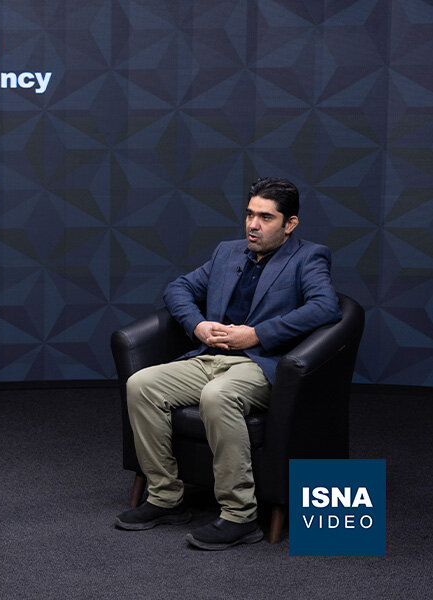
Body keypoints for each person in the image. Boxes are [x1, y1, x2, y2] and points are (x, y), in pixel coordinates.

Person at [114, 177, 341, 550]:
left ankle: (240, 515)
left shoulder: (308, 257)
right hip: (210, 356)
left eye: (266, 217)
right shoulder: (227, 252)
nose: (253, 225)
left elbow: (325, 307)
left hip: (260, 364)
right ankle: (166, 497)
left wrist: (257, 334)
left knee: (217, 396)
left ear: (290, 224)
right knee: (141, 385)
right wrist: (198, 325)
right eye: (250, 214)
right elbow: (178, 289)